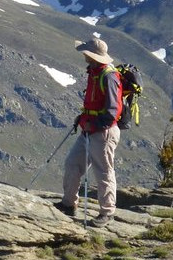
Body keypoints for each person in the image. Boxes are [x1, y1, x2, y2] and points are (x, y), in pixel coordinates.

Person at [54, 37, 123, 227]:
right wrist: (84, 119)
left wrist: (95, 123)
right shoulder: (94, 72)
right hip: (90, 128)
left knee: (103, 171)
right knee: (72, 164)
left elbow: (112, 111)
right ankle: (69, 204)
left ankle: (107, 213)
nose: (83, 54)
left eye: (86, 52)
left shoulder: (108, 76)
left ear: (92, 55)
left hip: (103, 132)